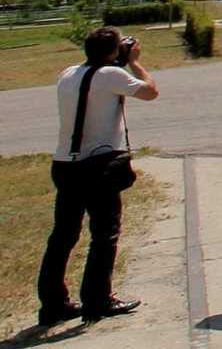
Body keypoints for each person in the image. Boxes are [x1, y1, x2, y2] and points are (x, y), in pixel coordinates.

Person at [38, 27, 157, 327]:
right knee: (104, 234)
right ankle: (98, 299)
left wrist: (117, 60)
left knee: (63, 236)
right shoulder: (112, 76)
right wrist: (134, 61)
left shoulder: (68, 73)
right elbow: (150, 91)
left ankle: (52, 305)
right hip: (97, 165)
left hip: (65, 163)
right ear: (114, 52)